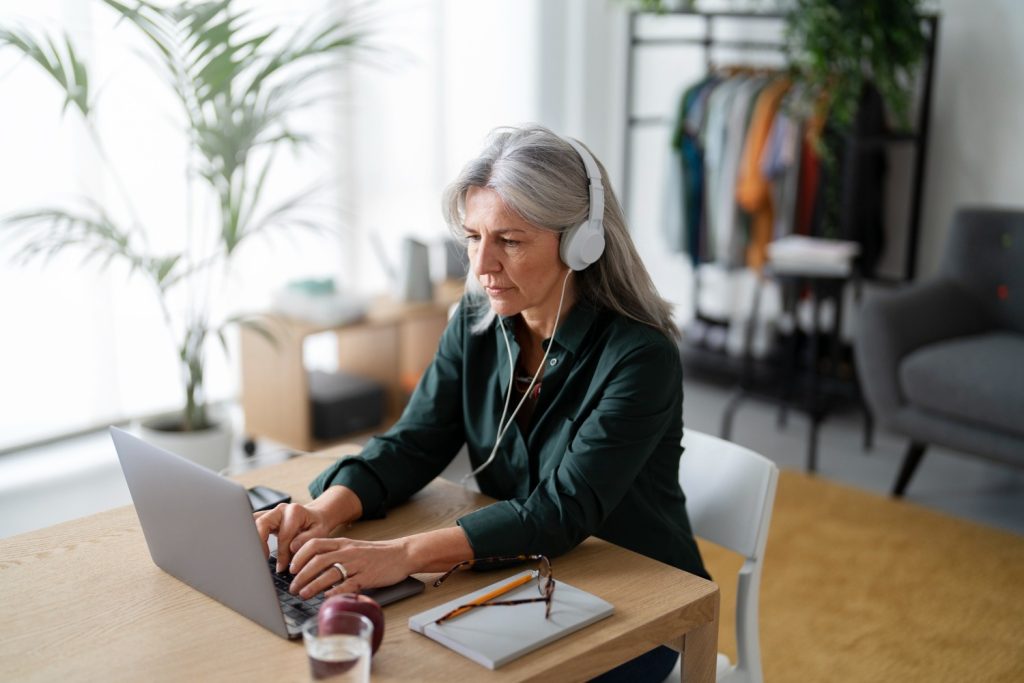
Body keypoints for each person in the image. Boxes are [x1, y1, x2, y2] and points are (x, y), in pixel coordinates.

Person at [255, 124, 707, 681]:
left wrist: (400, 555)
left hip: (640, 596)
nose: (481, 265)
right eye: (472, 237)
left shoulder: (640, 357)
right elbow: (415, 441)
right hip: (523, 575)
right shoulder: (475, 324)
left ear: (580, 243)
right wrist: (326, 512)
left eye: (509, 241)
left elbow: (557, 514)